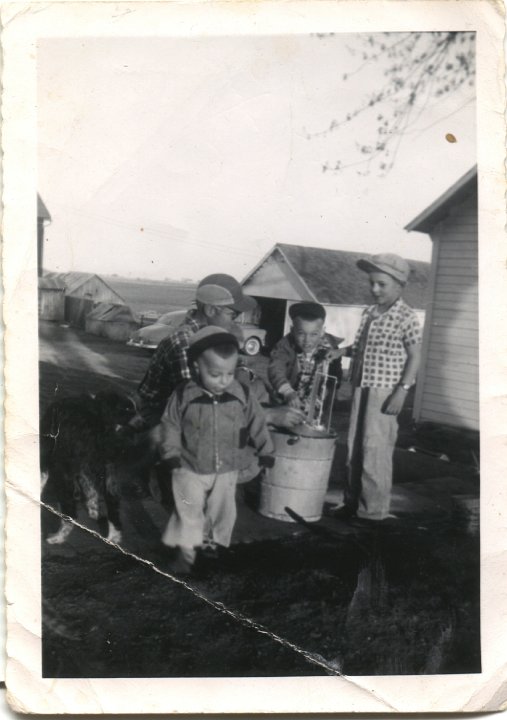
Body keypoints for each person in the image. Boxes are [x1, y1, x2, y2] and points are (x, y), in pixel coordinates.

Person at [158, 326, 275, 574]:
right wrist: (170, 454)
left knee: (223, 511)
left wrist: (266, 450)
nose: (223, 380)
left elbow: (257, 422)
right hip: (190, 465)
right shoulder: (183, 395)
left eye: (229, 373)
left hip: (227, 468)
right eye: (215, 374)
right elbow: (170, 424)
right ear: (196, 367)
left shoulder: (241, 393)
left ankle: (213, 546)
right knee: (188, 510)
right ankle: (186, 554)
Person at [331, 253, 422, 524]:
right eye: (372, 283)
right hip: (362, 387)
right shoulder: (369, 313)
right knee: (354, 448)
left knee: (376, 450)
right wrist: (340, 353)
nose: (375, 289)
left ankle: (373, 510)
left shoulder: (406, 317)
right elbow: (360, 348)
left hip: (385, 392)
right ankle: (352, 502)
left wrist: (402, 390)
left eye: (381, 284)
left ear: (399, 285)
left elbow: (415, 356)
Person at [268, 302, 343, 418]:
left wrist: (329, 392)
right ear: (292, 330)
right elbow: (276, 368)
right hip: (287, 399)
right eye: (301, 334)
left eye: (314, 334)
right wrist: (287, 392)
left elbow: (335, 374)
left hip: (316, 402)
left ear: (322, 331)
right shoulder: (284, 345)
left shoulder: (331, 348)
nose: (307, 340)